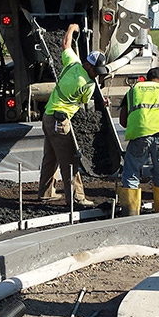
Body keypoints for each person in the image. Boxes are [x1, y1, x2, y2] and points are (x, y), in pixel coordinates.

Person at [38, 23, 103, 207]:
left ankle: (46, 192)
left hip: (49, 116)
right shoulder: (87, 85)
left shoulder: (72, 62)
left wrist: (71, 28)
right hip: (61, 121)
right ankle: (77, 198)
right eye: (95, 71)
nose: (96, 75)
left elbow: (65, 44)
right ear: (89, 65)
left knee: (50, 158)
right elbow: (84, 102)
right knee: (70, 160)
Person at [116, 67, 159, 215]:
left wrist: (138, 126)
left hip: (139, 135)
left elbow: (122, 120)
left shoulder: (133, 90)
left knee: (131, 172)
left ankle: (131, 213)